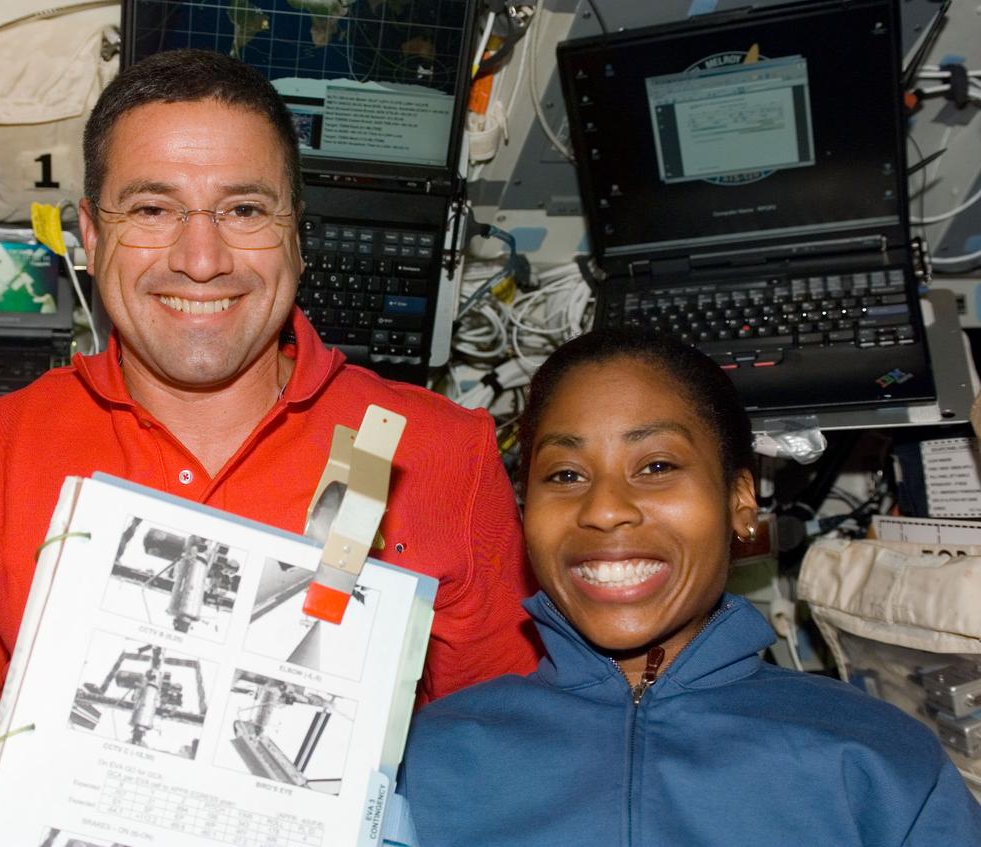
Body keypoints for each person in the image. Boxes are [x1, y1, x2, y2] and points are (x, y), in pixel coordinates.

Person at [0, 49, 540, 846]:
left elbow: (497, 749)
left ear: (296, 232)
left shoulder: (444, 454)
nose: (202, 259)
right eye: (152, 210)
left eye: (244, 210)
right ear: (87, 231)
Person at [399, 329, 981, 846]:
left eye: (656, 466)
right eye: (566, 475)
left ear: (740, 501)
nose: (603, 510)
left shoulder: (881, 760)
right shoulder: (418, 759)